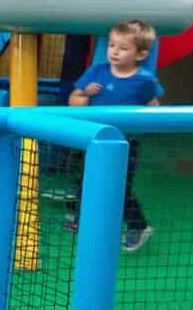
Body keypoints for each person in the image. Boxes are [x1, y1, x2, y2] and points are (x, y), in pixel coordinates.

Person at [63, 19, 162, 251]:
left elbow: (154, 107)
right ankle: (84, 219)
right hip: (93, 139)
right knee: (84, 179)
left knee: (121, 187)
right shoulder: (97, 71)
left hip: (125, 142)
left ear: (140, 54)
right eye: (112, 45)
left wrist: (142, 121)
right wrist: (85, 94)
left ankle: (138, 226)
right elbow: (73, 101)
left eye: (123, 48)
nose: (115, 52)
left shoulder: (144, 80)